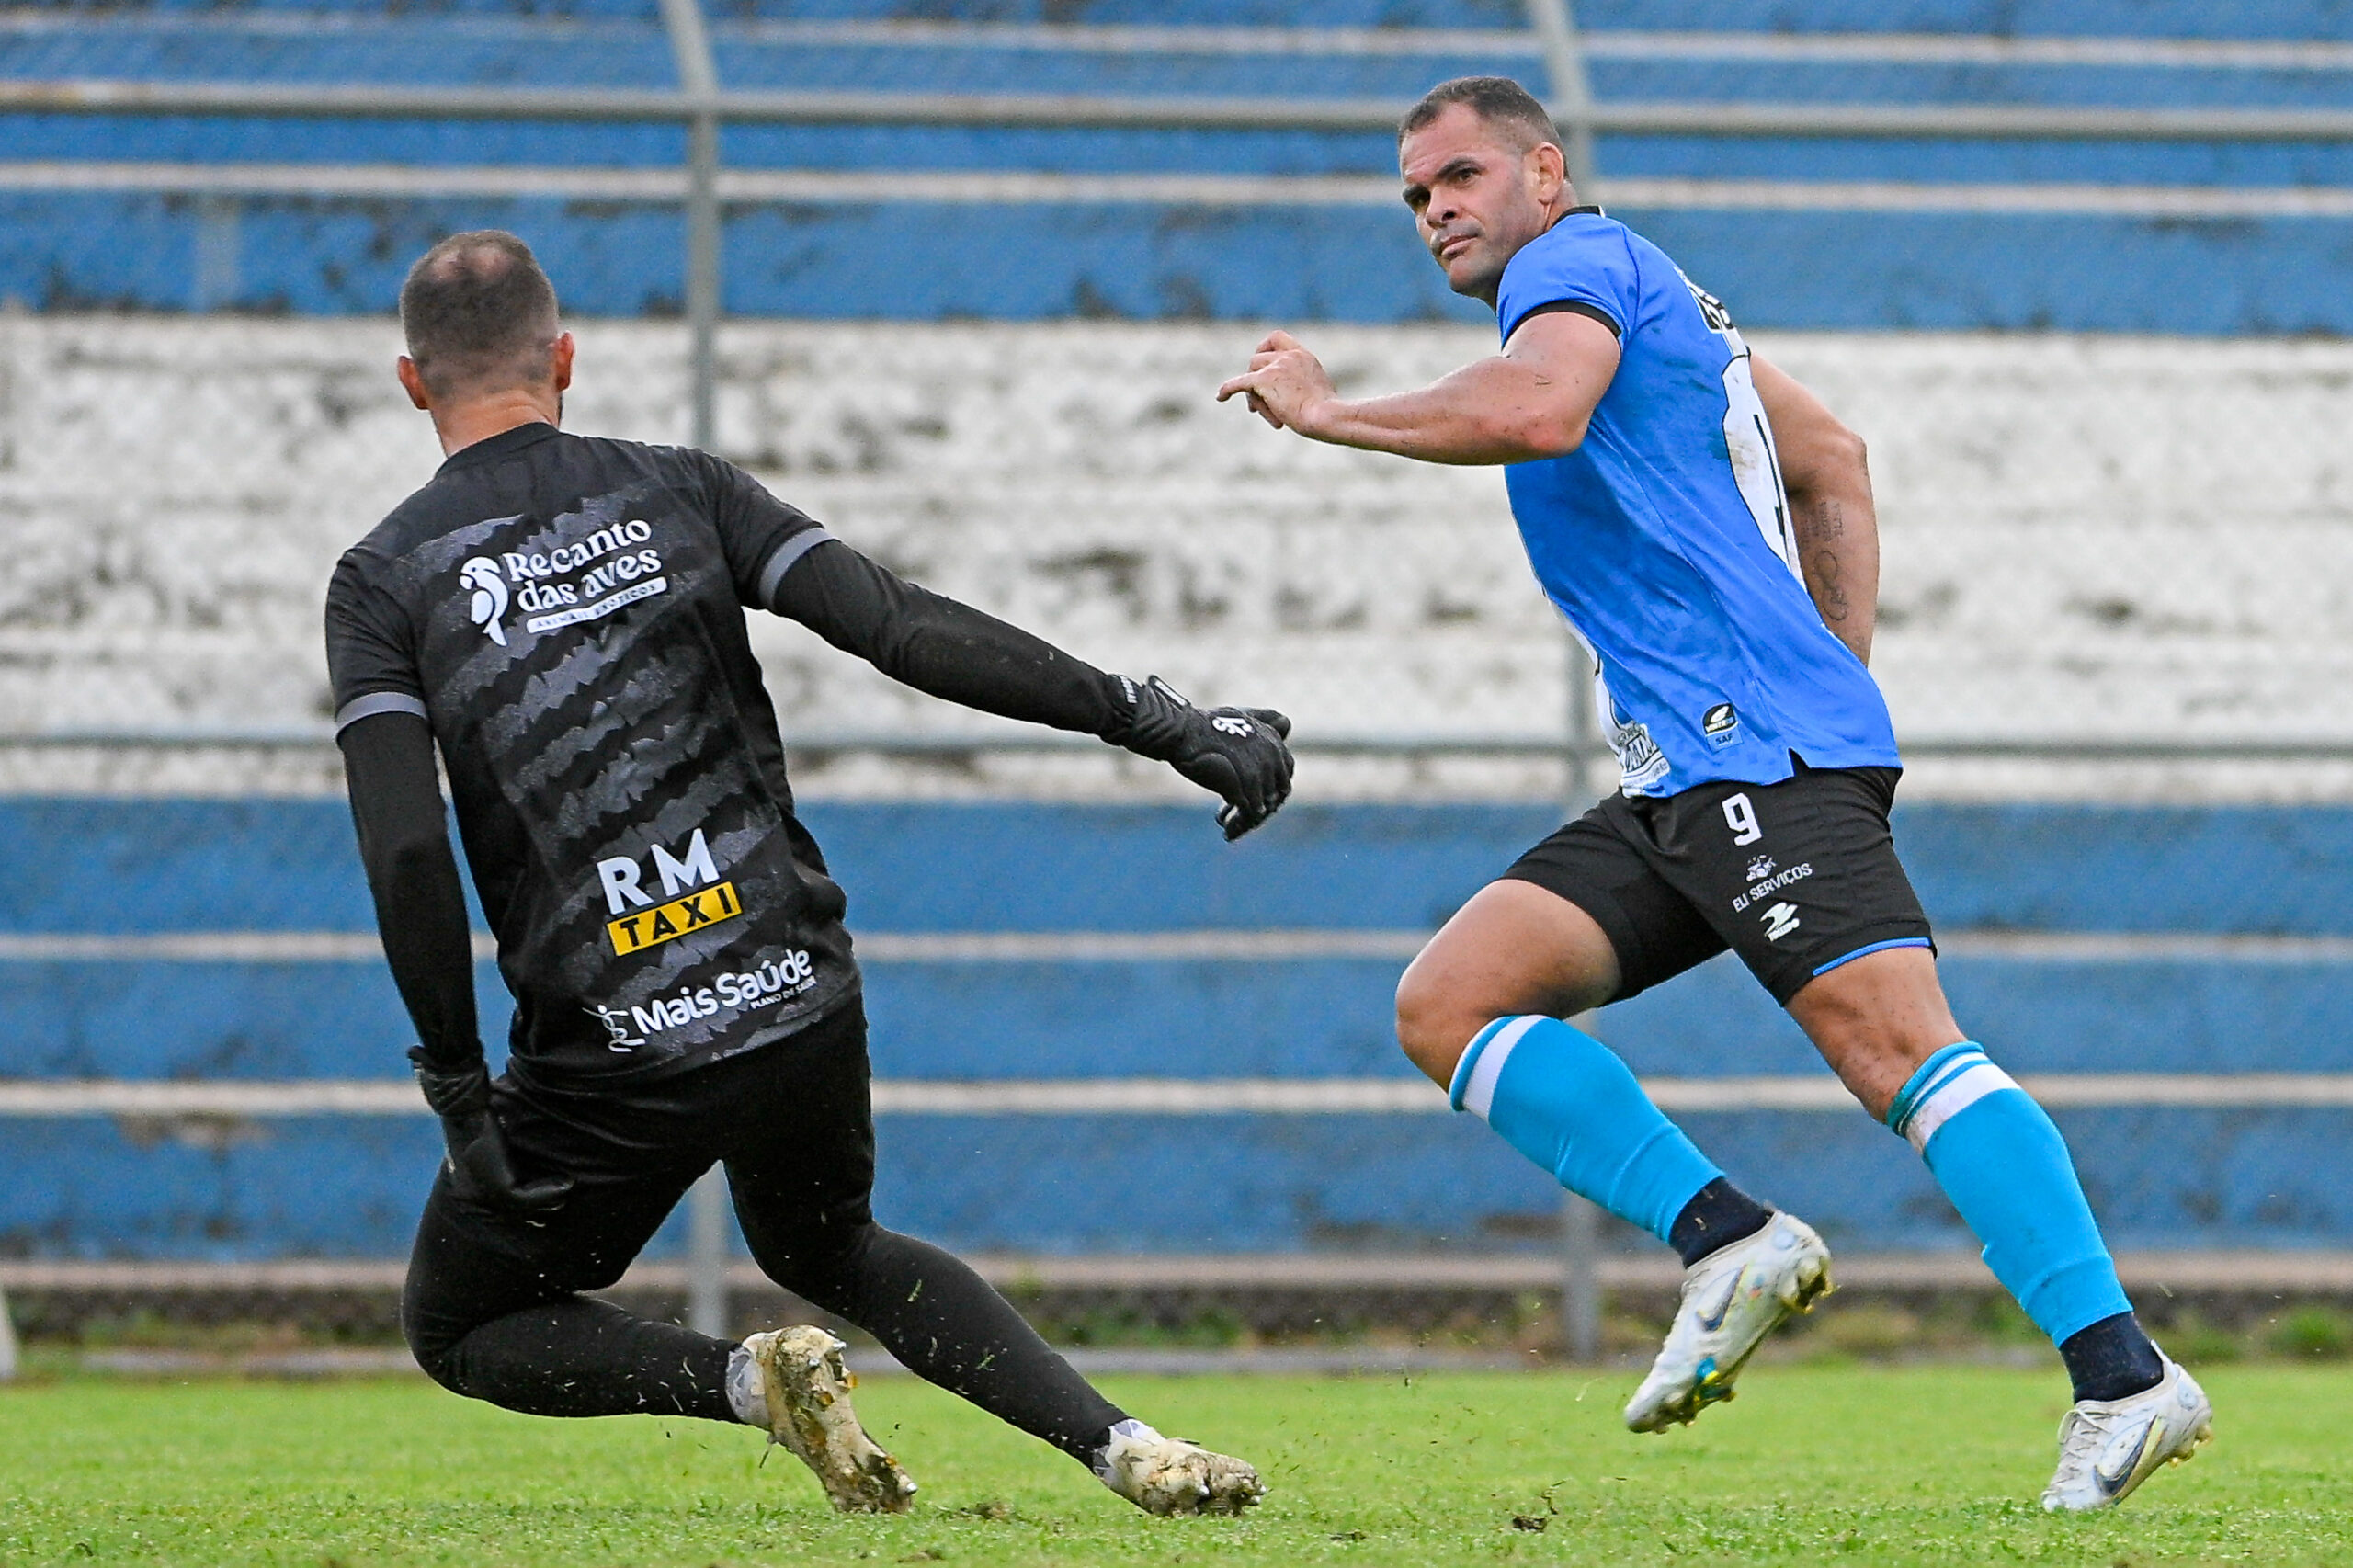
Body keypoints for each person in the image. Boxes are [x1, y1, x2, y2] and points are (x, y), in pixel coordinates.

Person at [1214, 76, 2211, 1512]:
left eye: (1462, 177)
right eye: (1415, 195)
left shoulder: (1570, 271)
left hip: (1749, 751)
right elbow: (1834, 461)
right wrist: (1830, 672)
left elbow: (1544, 412)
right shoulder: (1660, 291)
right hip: (1702, 761)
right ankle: (1726, 1237)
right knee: (1451, 1001)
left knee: (1901, 1057)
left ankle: (2123, 1375)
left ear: (1544, 175)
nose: (1436, 208)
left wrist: (1327, 411)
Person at [327, 230, 1288, 1517]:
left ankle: (747, 1381)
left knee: (461, 1319)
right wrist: (1162, 720)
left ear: (411, 382)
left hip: (613, 1054)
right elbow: (901, 627)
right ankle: (1125, 1443)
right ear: (565, 357)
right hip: (791, 987)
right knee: (829, 1240)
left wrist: (458, 1090)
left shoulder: (386, 578)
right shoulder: (682, 489)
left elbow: (403, 845)